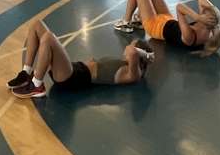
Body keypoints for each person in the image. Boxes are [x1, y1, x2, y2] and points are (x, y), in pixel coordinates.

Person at [8, 19, 154, 99]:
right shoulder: (125, 64)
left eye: (133, 46)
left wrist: (145, 55)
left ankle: (37, 85)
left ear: (139, 57)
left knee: (48, 38)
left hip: (74, 78)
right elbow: (131, 51)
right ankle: (26, 74)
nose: (127, 48)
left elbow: (132, 52)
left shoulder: (133, 74)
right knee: (36, 24)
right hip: (74, 69)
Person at [115, 0, 220, 54]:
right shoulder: (209, 28)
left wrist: (197, 17)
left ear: (204, 20)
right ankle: (138, 20)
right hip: (167, 19)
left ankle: (125, 22)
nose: (201, 12)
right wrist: (213, 14)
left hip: (154, 27)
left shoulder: (190, 37)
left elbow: (179, 7)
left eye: (203, 14)